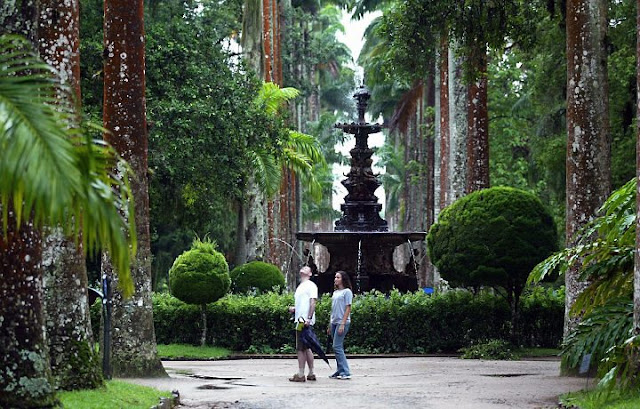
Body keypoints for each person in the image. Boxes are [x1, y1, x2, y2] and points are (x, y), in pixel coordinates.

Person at [287, 266, 318, 382]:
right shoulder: (301, 286)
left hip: (303, 321)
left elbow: (313, 302)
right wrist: (295, 309)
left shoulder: (311, 285)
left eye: (306, 268)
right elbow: (304, 304)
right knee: (307, 347)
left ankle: (300, 374)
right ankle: (311, 372)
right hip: (300, 319)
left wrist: (309, 318)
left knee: (300, 348)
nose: (303, 269)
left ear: (310, 274)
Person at [327, 270, 353, 380]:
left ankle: (346, 371)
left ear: (343, 279)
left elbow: (348, 307)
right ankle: (340, 370)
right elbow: (333, 309)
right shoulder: (336, 292)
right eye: (335, 277)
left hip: (342, 322)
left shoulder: (347, 292)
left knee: (336, 346)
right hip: (334, 322)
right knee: (337, 347)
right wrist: (329, 324)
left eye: (338, 277)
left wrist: (342, 323)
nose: (335, 279)